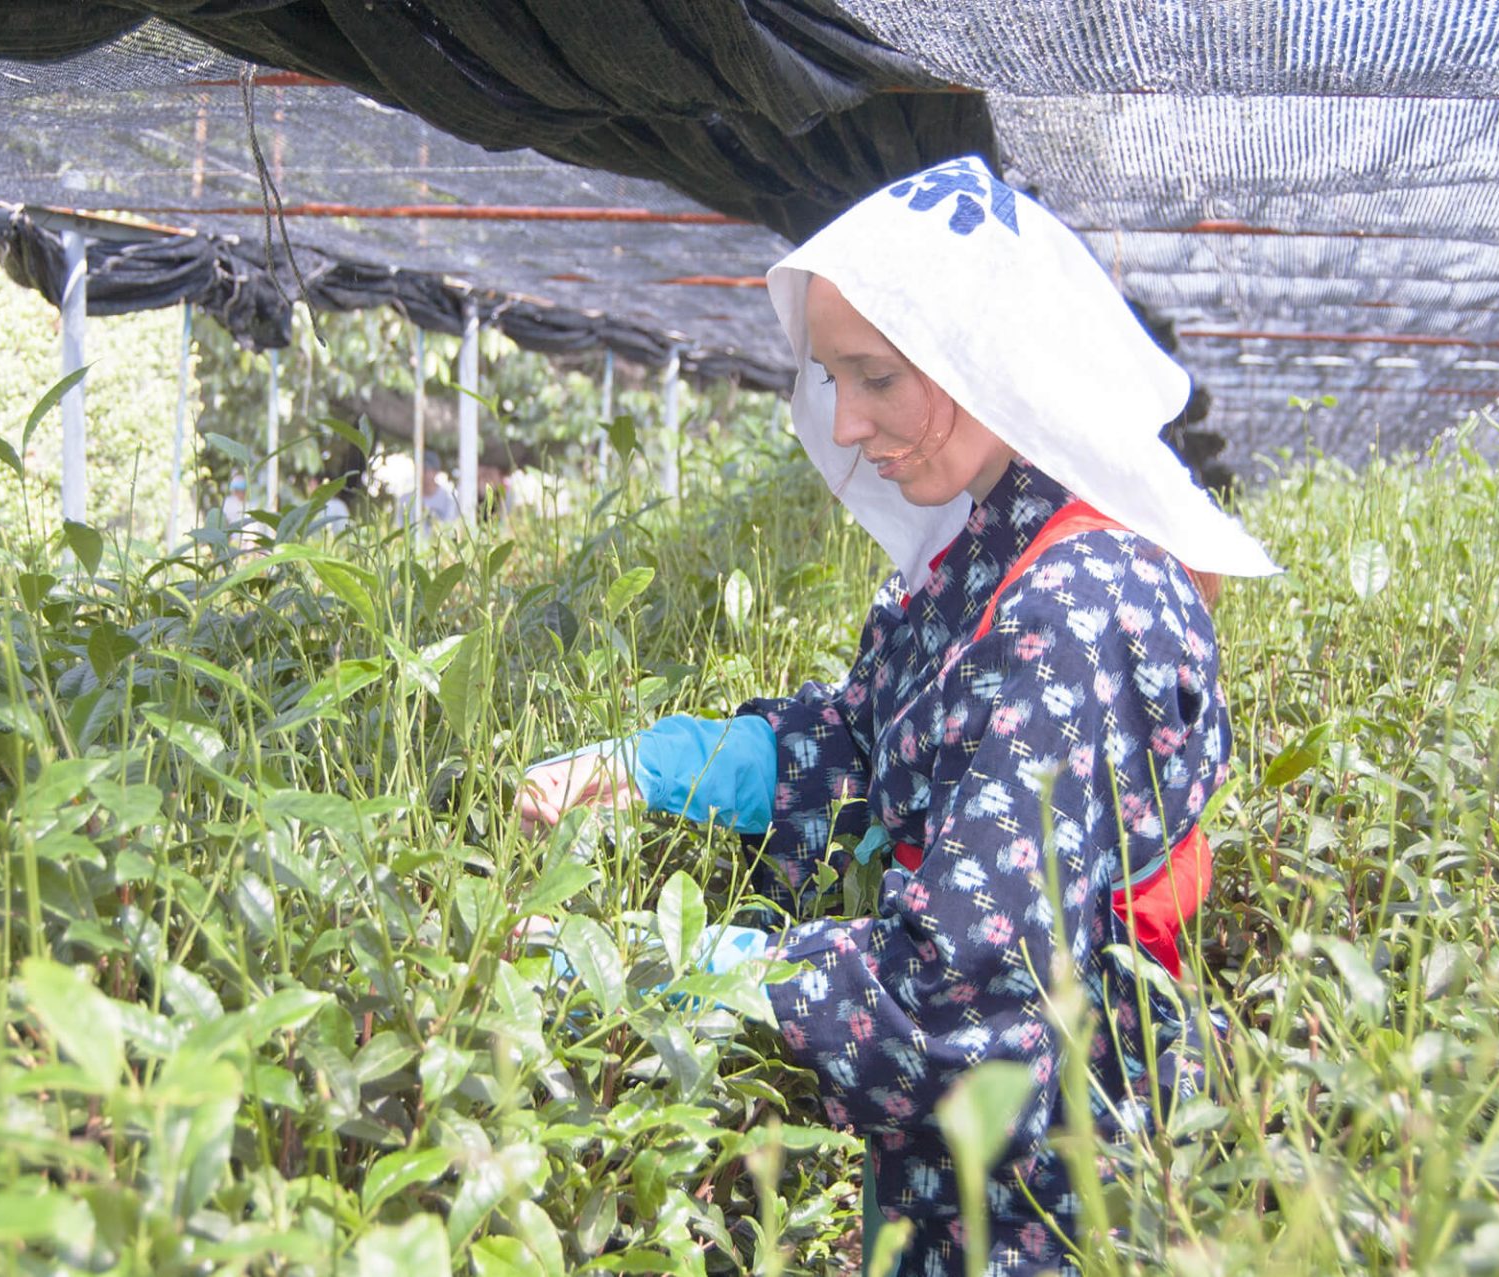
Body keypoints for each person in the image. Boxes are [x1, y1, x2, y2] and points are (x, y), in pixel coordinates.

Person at [516, 155, 1279, 1276]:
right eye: (832, 378)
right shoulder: (990, 551)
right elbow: (872, 741)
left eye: (876, 376)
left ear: (986, 357)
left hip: (1048, 1177)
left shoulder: (1080, 608)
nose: (846, 422)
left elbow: (956, 992)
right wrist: (665, 765)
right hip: (948, 1166)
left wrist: (660, 961)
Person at [398, 448, 460, 528]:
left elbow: (451, 526)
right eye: (419, 469)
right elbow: (400, 526)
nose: (422, 473)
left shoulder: (449, 499)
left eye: (426, 470)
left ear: (436, 472)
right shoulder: (405, 500)